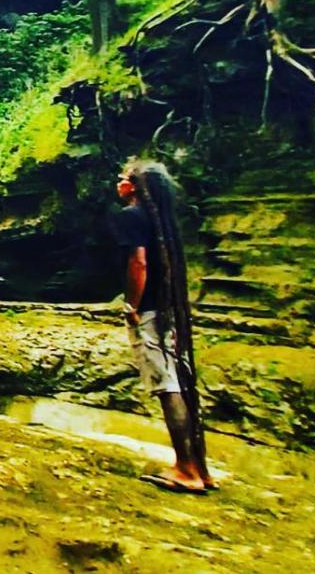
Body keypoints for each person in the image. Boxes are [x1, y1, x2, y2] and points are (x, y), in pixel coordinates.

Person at [111, 158, 217, 494]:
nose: (118, 181)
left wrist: (132, 305)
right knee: (180, 382)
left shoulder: (131, 216)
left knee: (166, 386)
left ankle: (186, 470)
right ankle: (199, 466)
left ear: (134, 186)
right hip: (169, 311)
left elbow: (138, 263)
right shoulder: (162, 220)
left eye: (123, 177)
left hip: (149, 312)